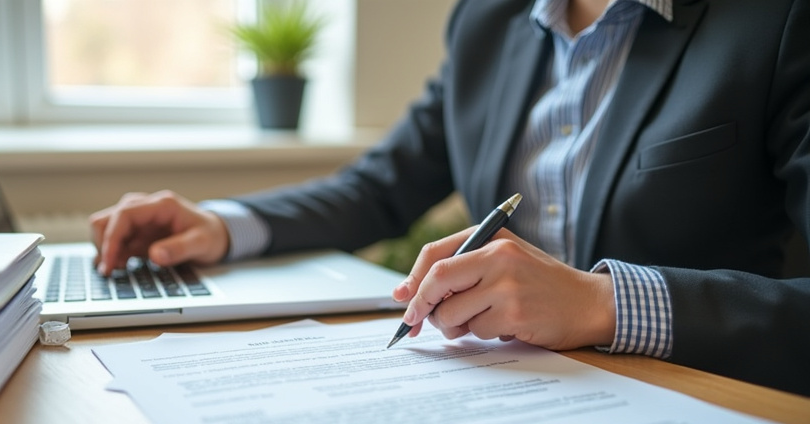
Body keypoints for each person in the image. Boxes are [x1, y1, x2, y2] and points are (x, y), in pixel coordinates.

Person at [89, 0, 810, 396]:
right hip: (508, 397)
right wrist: (221, 224)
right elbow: (380, 186)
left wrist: (601, 303)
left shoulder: (778, 22)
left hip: (704, 404)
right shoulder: (486, 22)